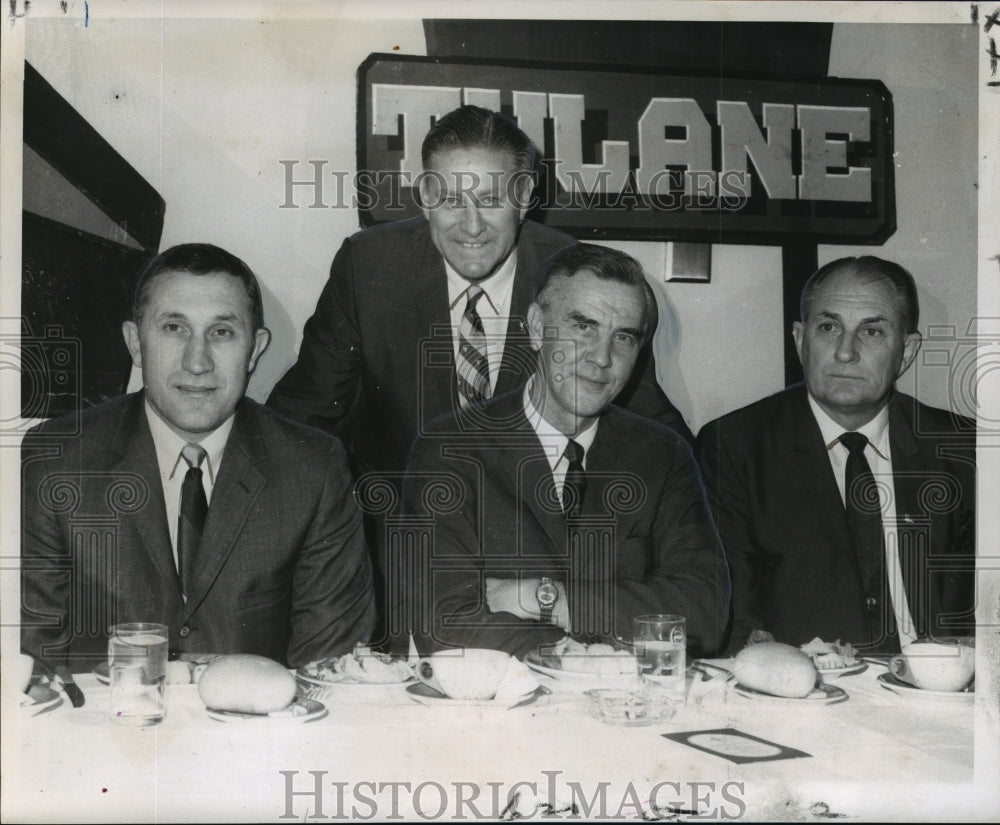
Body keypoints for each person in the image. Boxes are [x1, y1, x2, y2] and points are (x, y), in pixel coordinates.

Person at [267, 105, 693, 648]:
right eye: (449, 199)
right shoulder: (369, 267)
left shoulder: (571, 271)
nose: (470, 226)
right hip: (407, 562)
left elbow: (651, 427)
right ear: (423, 194)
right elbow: (302, 420)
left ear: (523, 196)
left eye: (490, 199)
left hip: (542, 573)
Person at [21, 243, 375, 671]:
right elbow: (32, 661)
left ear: (255, 348)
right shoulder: (57, 460)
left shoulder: (313, 469)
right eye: (174, 328)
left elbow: (330, 665)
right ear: (135, 343)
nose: (197, 361)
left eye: (222, 332)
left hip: (257, 735)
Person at [401, 244, 729, 659]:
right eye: (584, 327)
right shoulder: (451, 450)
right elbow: (445, 626)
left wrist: (550, 600)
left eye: (623, 338)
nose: (602, 358)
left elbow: (706, 613)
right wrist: (586, 656)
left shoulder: (662, 455)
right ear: (537, 327)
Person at [696, 256, 976, 654]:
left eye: (873, 332)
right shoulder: (735, 447)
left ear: (907, 352)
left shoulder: (966, 449)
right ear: (800, 340)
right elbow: (735, 619)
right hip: (808, 693)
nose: (846, 352)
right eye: (829, 328)